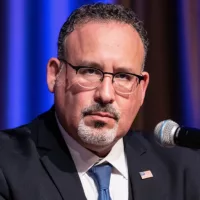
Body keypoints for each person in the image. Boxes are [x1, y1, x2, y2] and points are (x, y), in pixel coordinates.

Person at [0, 3, 200, 200]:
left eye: (123, 76)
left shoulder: (183, 169)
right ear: (55, 75)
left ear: (142, 89)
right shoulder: (6, 164)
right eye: (90, 71)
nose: (105, 95)